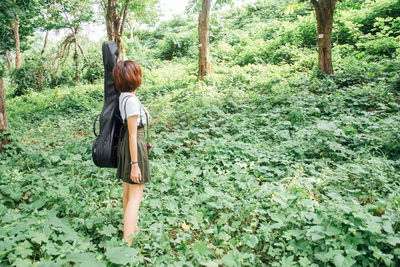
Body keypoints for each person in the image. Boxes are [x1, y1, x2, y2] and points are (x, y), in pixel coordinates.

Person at [112, 60, 151, 247]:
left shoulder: (123, 97)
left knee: (128, 191)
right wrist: (135, 164)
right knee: (136, 195)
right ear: (134, 78)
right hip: (133, 146)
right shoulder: (132, 101)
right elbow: (133, 134)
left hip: (127, 145)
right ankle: (127, 243)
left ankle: (132, 228)